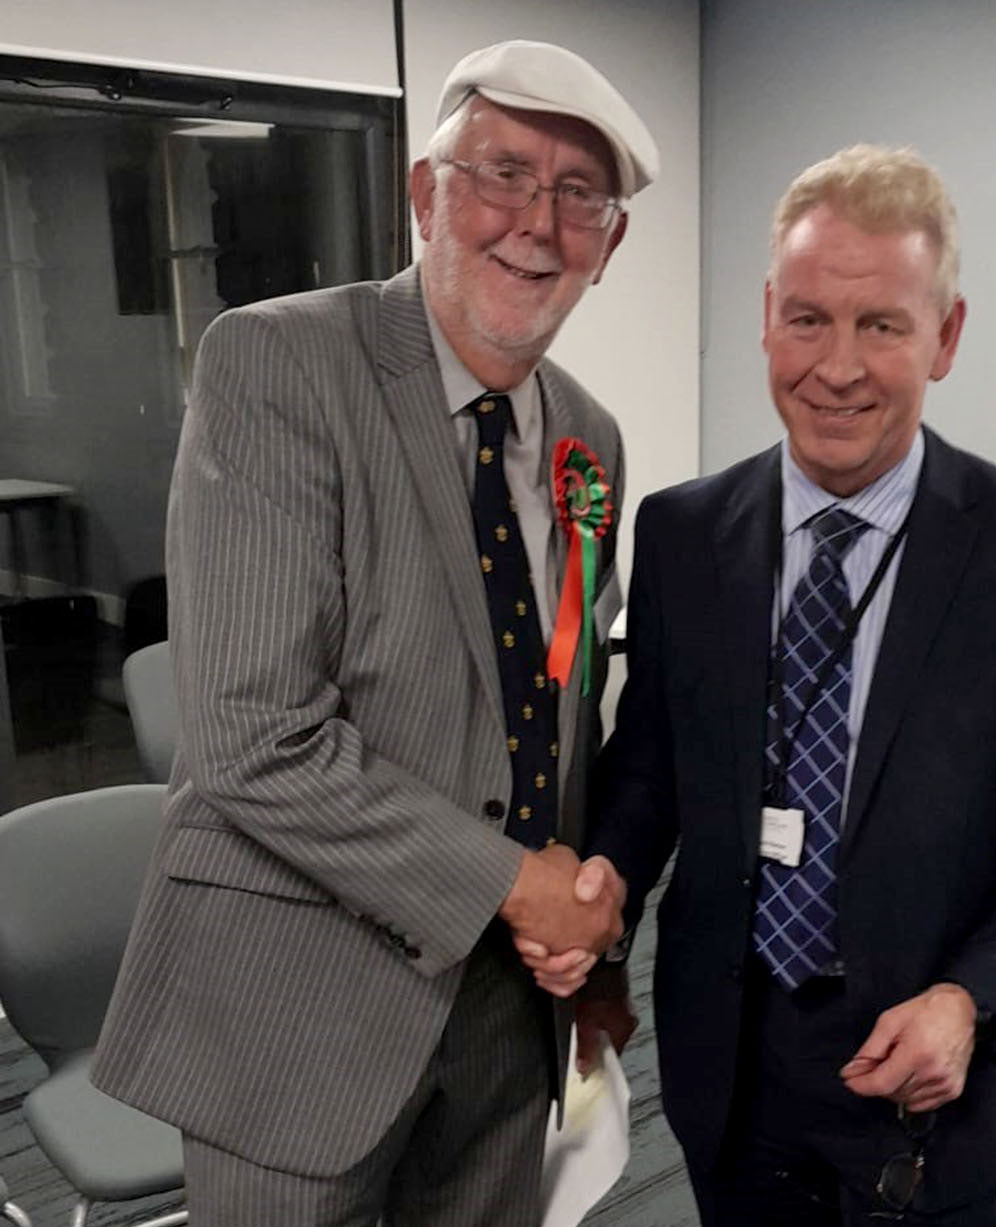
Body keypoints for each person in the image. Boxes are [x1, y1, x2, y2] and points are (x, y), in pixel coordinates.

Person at [91, 39, 657, 1227]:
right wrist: (517, 885)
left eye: (577, 197)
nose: (536, 224)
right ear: (423, 195)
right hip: (300, 1010)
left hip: (507, 1021)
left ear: (609, 246)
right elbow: (254, 736)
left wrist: (586, 922)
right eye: (502, 172)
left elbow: (555, 710)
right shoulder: (279, 364)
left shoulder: (586, 440)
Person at [566, 145, 996, 1225]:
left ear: (946, 335)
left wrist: (974, 1002)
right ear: (765, 316)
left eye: (880, 324)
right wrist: (601, 893)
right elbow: (648, 770)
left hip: (925, 1079)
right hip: (729, 1066)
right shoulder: (684, 534)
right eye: (807, 319)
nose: (835, 367)